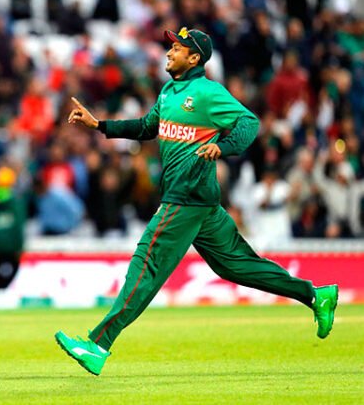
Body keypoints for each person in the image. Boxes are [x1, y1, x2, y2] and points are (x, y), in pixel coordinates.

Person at [56, 27, 339, 376]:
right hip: (202, 202)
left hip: (185, 198)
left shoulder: (207, 92)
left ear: (194, 58)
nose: (169, 51)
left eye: (177, 48)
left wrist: (223, 146)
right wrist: (100, 125)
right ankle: (315, 295)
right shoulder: (168, 92)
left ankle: (98, 345)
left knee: (146, 265)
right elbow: (147, 127)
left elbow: (249, 123)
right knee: (236, 266)